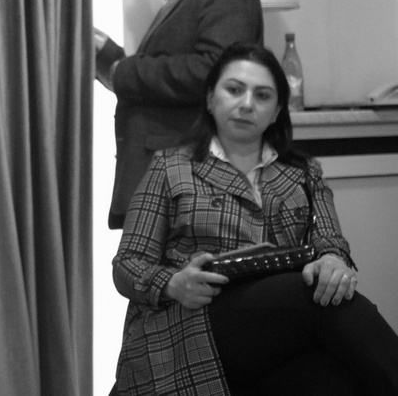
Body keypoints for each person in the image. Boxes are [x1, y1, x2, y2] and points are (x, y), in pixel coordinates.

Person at [111, 42, 398, 396]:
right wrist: (173, 283)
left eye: (262, 96)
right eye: (234, 90)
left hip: (273, 334)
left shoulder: (303, 173)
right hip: (186, 325)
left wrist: (333, 261)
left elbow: (330, 241)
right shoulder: (170, 167)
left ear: (277, 111)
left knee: (333, 379)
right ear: (210, 99)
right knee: (315, 298)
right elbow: (127, 264)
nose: (247, 104)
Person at [95, 0, 263, 229]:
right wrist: (109, 58)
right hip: (167, 179)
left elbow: (214, 74)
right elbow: (167, 77)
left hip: (191, 186)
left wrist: (124, 70)